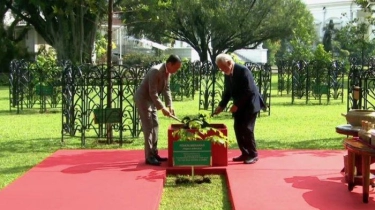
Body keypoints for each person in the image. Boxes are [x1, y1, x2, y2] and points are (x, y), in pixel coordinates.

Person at [213, 53, 265, 164]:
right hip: (240, 106)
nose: (222, 70)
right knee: (238, 128)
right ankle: (245, 153)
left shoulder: (243, 71)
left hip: (250, 104)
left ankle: (253, 154)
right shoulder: (227, 73)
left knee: (247, 129)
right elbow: (228, 92)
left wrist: (236, 105)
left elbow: (249, 90)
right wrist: (221, 105)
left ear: (229, 62)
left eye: (222, 67)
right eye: (220, 68)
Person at [134, 54, 182, 166]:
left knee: (155, 124)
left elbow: (166, 89)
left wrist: (170, 105)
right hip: (143, 99)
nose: (176, 70)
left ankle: (154, 153)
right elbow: (152, 92)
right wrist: (162, 108)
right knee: (148, 127)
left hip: (152, 100)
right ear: (170, 64)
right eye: (176, 68)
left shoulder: (167, 72)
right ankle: (149, 157)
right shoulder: (155, 71)